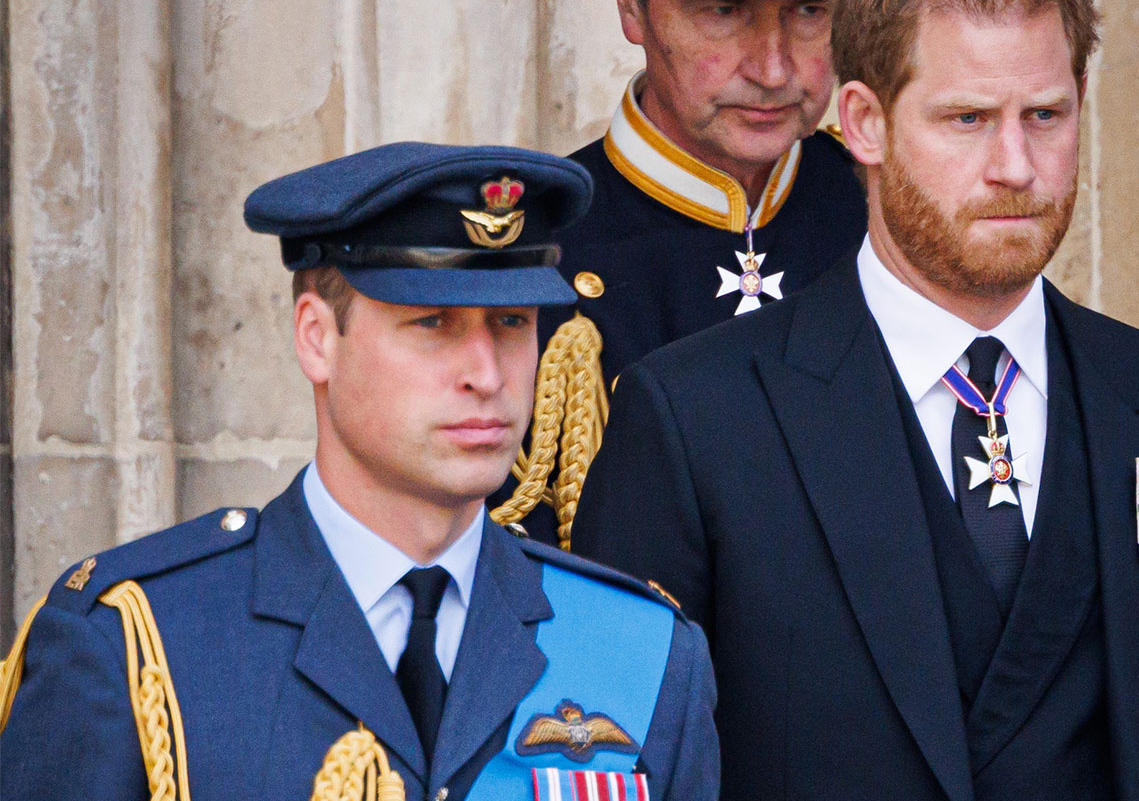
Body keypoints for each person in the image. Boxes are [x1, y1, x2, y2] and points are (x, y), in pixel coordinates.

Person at [573, 0, 1139, 801]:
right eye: (968, 118)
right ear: (864, 122)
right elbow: (630, 757)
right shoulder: (693, 423)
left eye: (1046, 115)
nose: (1016, 165)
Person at [0, 142, 719, 801]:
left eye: (512, 323)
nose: (485, 373)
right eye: (432, 323)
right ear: (317, 339)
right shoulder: (139, 644)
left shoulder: (642, 650)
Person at [491, 0, 875, 545]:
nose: (773, 67)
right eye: (724, 9)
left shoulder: (893, 216)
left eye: (811, 9)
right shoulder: (525, 253)